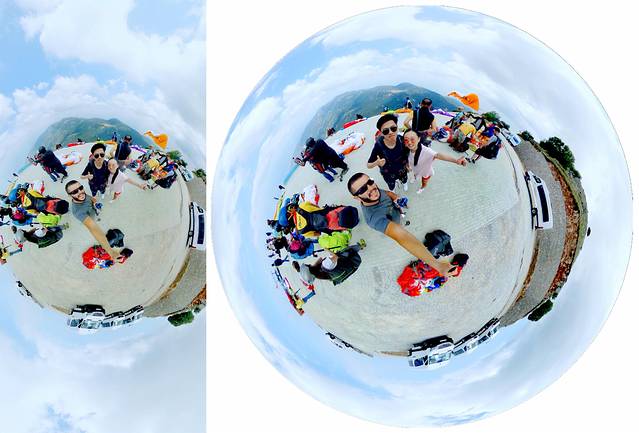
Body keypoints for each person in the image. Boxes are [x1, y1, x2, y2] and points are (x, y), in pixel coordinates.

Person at [347, 173, 455, 277]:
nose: (371, 188)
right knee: (400, 229)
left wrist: (396, 198)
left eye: (370, 182)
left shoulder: (374, 192)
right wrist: (437, 265)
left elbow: (387, 193)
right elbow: (403, 237)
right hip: (393, 223)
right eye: (363, 189)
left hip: (396, 212)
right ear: (357, 198)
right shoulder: (374, 219)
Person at [65, 180, 122, 262]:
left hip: (94, 212)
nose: (80, 192)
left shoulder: (82, 195)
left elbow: (91, 199)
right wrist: (111, 252)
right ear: (69, 196)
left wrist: (95, 204)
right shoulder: (77, 211)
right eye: (74, 191)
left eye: (81, 188)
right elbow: (95, 230)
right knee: (94, 224)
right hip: (90, 218)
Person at [367, 113, 409, 192]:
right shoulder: (378, 146)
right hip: (388, 173)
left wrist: (408, 164)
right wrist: (377, 163)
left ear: (397, 128)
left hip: (402, 169)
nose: (390, 132)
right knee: (391, 185)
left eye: (393, 128)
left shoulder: (402, 140)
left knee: (404, 179)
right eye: (386, 131)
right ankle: (393, 189)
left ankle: (404, 183)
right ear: (381, 133)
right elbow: (369, 165)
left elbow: (407, 153)